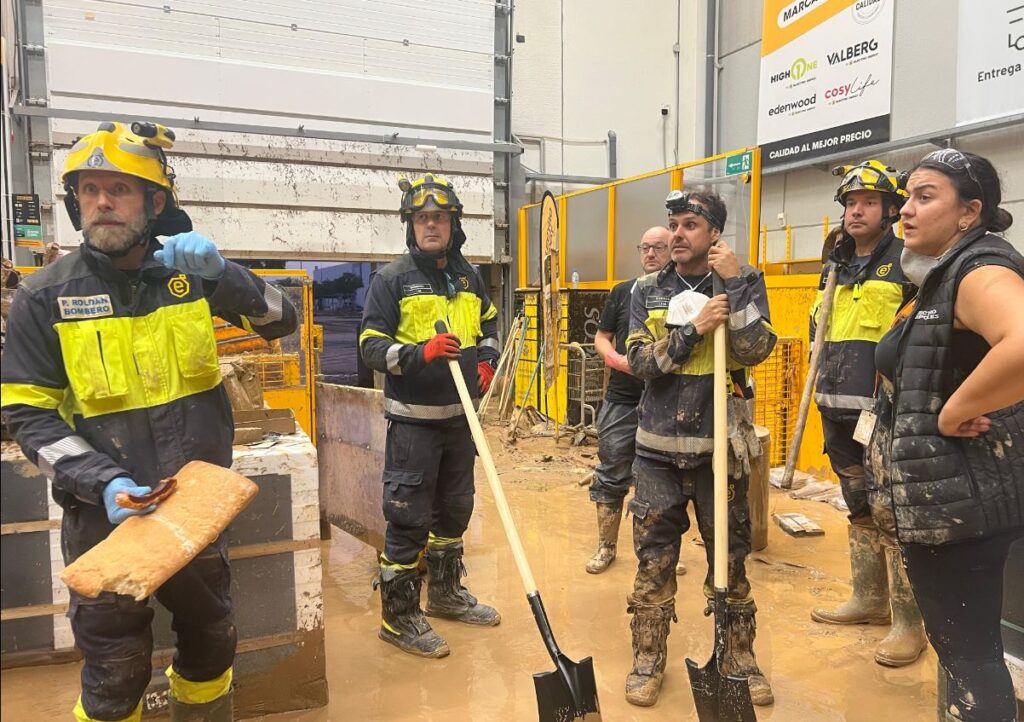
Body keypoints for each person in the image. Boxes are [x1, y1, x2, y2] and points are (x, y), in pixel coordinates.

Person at [0, 121, 297, 722]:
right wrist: (100, 481)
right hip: (103, 516)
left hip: (195, 507)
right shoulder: (45, 297)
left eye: (120, 189)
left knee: (211, 641)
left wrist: (224, 273)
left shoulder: (188, 278)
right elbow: (26, 415)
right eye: (89, 190)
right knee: (114, 668)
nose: (103, 202)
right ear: (75, 202)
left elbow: (279, 320)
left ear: (156, 203)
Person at [873, 149, 1024, 722]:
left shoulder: (979, 268)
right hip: (957, 497)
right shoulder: (944, 273)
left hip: (964, 507)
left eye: (925, 197)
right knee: (968, 653)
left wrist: (951, 411)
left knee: (971, 658)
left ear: (970, 212)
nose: (905, 211)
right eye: (907, 197)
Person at [623, 189, 777, 707]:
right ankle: (647, 658)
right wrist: (693, 330)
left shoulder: (745, 281)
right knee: (653, 560)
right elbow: (641, 363)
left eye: (691, 224)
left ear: (714, 233)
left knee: (729, 560)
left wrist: (733, 284)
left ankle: (739, 657)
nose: (677, 234)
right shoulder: (647, 289)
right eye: (674, 224)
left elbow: (755, 350)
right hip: (657, 452)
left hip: (718, 451)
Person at [359, 173, 501, 659]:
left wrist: (487, 358)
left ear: (454, 223)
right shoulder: (391, 279)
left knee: (455, 509)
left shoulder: (468, 276)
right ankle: (398, 618)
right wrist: (421, 353)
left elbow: (488, 323)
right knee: (407, 518)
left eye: (439, 217)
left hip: (460, 419)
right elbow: (370, 347)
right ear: (411, 226)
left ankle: (444, 595)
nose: (431, 225)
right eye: (422, 218)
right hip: (414, 423)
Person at [808, 160, 927, 668]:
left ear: (892, 210)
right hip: (835, 405)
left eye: (868, 203)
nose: (856, 211)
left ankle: (909, 622)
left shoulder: (909, 260)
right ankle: (870, 599)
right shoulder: (835, 263)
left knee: (892, 511)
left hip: (885, 410)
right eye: (850, 204)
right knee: (857, 503)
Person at [585, 226, 672, 574]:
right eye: (645, 247)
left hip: (666, 400)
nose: (650, 254)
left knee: (664, 478)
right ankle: (606, 547)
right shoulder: (623, 292)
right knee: (612, 471)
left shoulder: (681, 292)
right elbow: (602, 336)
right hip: (623, 399)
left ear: (673, 250)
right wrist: (617, 360)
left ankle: (660, 547)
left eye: (659, 248)